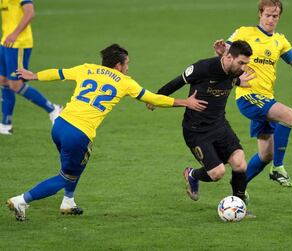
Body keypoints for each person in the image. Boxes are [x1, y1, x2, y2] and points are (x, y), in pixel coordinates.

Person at [6, 44, 207, 221]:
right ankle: (22, 200)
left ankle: (68, 202)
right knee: (65, 176)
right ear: (118, 65)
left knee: (78, 162)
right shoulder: (124, 81)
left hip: (59, 125)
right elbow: (153, 99)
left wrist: (34, 75)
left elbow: (59, 73)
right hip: (78, 134)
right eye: (127, 63)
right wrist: (185, 102)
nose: (128, 67)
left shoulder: (87, 69)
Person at [214, 0, 292, 187]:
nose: (271, 19)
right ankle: (278, 169)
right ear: (260, 14)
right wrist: (220, 52)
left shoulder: (280, 41)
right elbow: (226, 57)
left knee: (266, 154)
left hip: (266, 99)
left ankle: (238, 187)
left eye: (275, 16)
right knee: (287, 115)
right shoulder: (244, 32)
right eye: (267, 15)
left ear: (279, 17)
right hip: (248, 96)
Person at [151, 40, 254, 204]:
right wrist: (156, 98)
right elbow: (177, 81)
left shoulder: (235, 69)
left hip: (219, 125)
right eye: (241, 63)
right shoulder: (203, 68)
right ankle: (192, 174)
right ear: (228, 57)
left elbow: (231, 78)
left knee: (240, 162)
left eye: (245, 64)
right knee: (217, 173)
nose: (243, 68)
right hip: (196, 130)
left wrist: (241, 81)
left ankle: (239, 204)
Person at [0, 0, 62, 135]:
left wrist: (14, 34)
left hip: (18, 44)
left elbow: (30, 13)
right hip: (5, 42)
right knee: (3, 80)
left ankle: (53, 109)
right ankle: (5, 124)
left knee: (16, 85)